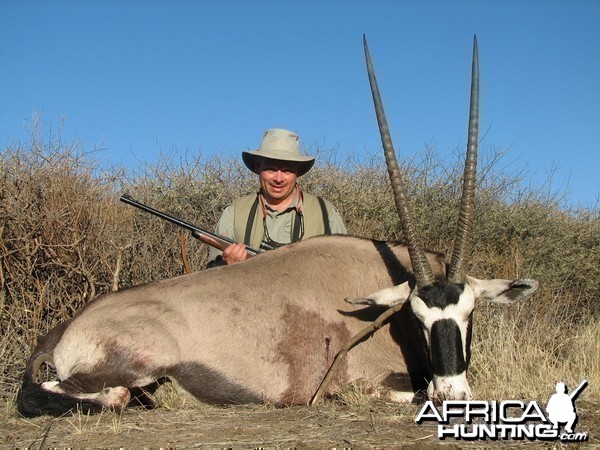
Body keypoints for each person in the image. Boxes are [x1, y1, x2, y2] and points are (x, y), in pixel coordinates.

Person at [207, 128, 347, 267]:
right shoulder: (234, 213)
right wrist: (229, 266)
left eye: (287, 170)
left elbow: (345, 269)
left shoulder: (325, 213)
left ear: (297, 172)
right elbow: (211, 275)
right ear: (258, 168)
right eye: (271, 169)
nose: (278, 179)